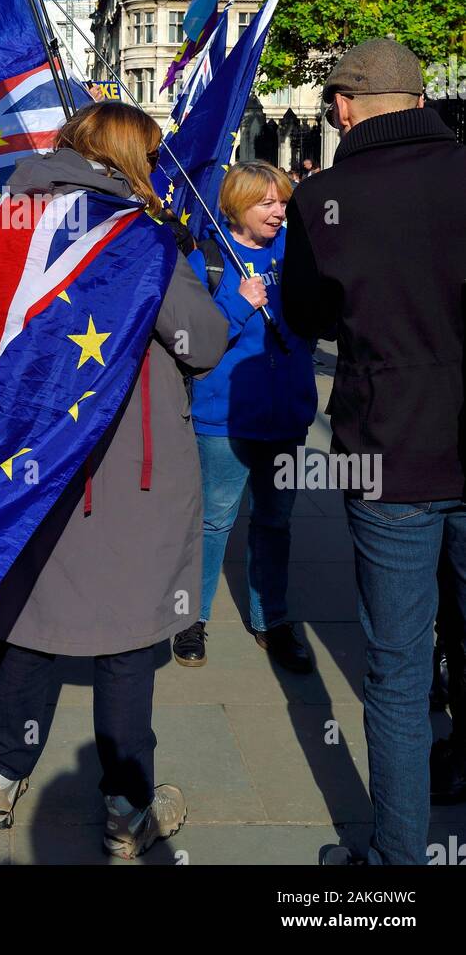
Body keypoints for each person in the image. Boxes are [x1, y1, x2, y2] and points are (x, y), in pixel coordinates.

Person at [0, 102, 229, 858]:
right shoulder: (137, 236)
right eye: (150, 152)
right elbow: (203, 342)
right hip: (127, 467)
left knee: (33, 620)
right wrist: (177, 262)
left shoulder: (12, 221)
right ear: (127, 155)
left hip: (33, 459)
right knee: (128, 634)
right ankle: (125, 808)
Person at [281, 38, 466, 866]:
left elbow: (310, 316)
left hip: (387, 454)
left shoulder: (324, 197)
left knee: (395, 674)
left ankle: (396, 865)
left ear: (345, 107)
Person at [172, 163, 318, 672]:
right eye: (268, 203)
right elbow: (187, 340)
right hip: (223, 419)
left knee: (275, 522)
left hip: (287, 418)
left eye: (282, 201)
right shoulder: (207, 258)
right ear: (238, 206)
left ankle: (271, 620)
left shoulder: (298, 253)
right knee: (213, 522)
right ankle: (192, 619)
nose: (280, 211)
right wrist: (237, 305)